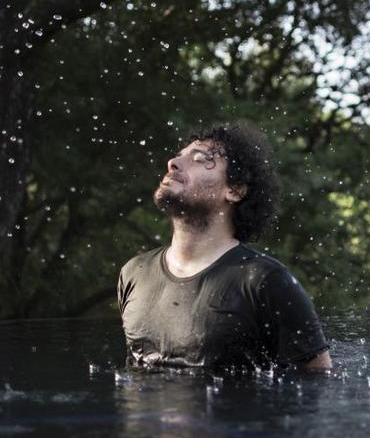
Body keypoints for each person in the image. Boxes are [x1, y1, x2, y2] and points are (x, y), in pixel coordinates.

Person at [117, 122, 331, 370]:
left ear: (235, 190)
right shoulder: (134, 273)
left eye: (199, 159)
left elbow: (317, 383)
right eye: (178, 156)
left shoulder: (265, 281)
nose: (173, 163)